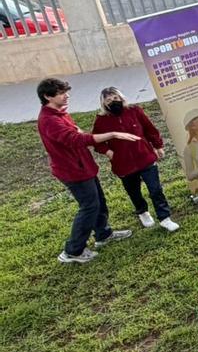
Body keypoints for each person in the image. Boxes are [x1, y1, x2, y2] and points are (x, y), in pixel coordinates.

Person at [38, 78, 137, 264]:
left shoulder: (60, 113)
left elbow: (77, 133)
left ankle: (103, 234)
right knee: (89, 207)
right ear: (47, 96)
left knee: (98, 202)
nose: (66, 95)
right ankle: (73, 250)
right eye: (61, 93)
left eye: (66, 92)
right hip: (73, 171)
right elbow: (76, 139)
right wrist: (113, 134)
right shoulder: (49, 120)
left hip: (83, 167)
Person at [91, 87, 179, 232]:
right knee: (134, 191)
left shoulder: (135, 111)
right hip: (123, 164)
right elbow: (96, 141)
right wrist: (108, 152)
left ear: (121, 98)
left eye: (115, 98)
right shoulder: (101, 121)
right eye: (108, 100)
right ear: (104, 103)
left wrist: (158, 146)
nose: (113, 102)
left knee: (155, 189)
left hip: (145, 158)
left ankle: (165, 218)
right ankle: (142, 211)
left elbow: (149, 129)